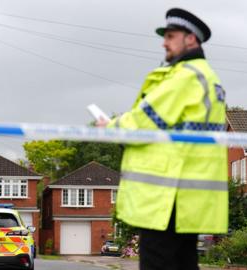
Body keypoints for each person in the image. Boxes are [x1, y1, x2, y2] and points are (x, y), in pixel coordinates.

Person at [97, 8, 228, 270]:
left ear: (190, 39)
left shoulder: (185, 76)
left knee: (158, 263)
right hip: (187, 196)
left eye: (170, 36)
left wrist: (108, 126)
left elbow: (143, 121)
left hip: (166, 196)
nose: (164, 42)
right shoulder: (207, 77)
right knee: (183, 262)